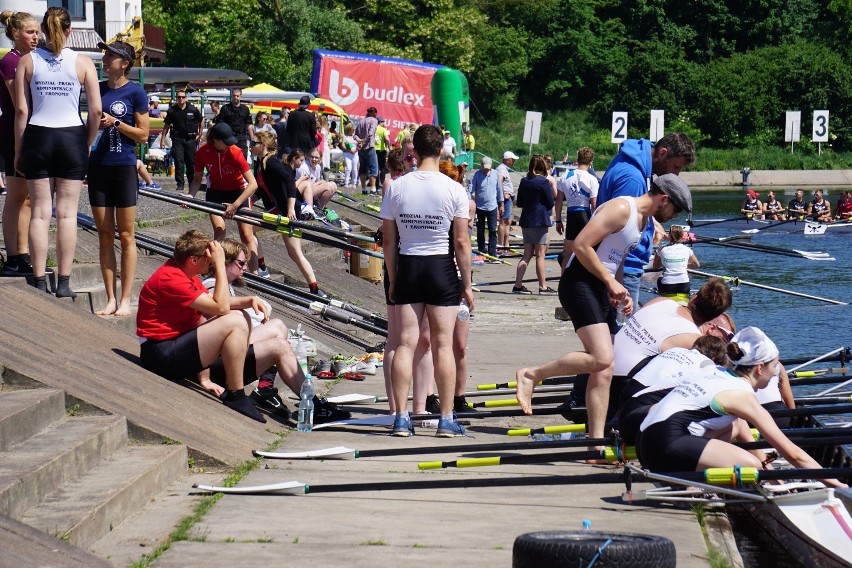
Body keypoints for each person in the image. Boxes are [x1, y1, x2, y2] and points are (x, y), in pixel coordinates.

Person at [515, 174, 693, 443]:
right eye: (675, 209)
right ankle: (532, 374)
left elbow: (616, 258)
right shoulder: (622, 208)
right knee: (602, 357)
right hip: (579, 281)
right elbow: (581, 244)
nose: (673, 215)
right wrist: (609, 280)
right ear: (664, 198)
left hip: (600, 286)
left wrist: (618, 290)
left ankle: (594, 444)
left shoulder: (644, 222)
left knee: (605, 368)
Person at [636, 327, 846, 489]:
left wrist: (770, 469)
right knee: (751, 468)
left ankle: (687, 473)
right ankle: (693, 483)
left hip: (644, 442)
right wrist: (838, 485)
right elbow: (792, 454)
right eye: (774, 367)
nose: (775, 374)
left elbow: (743, 431)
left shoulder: (715, 373)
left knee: (735, 426)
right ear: (760, 367)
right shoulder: (743, 397)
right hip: (664, 449)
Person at [380, 124, 473, 437]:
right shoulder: (454, 189)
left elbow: (389, 241)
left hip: (408, 264)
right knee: (442, 344)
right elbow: (462, 243)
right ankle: (446, 419)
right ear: (442, 151)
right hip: (441, 268)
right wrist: (468, 284)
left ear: (414, 152)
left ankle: (401, 418)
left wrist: (393, 278)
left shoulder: (396, 187)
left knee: (405, 343)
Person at [194, 238, 347, 422]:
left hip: (225, 352)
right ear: (224, 262)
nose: (244, 268)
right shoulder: (213, 285)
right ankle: (312, 404)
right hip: (218, 363)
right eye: (241, 263)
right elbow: (205, 327)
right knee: (279, 346)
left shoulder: (223, 285)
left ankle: (265, 388)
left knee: (278, 326)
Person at [14, 7, 101, 296]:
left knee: (39, 213)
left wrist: (19, 150)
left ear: (42, 29)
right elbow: (96, 111)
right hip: (71, 137)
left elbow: (22, 111)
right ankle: (63, 283)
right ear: (69, 30)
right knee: (66, 214)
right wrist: (86, 143)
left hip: (38, 136)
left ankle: (39, 280)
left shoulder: (27, 60)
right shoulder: (83, 62)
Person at [136, 230, 266, 422]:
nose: (211, 262)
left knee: (240, 316)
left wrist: (249, 300)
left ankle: (235, 390)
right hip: (160, 354)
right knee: (235, 320)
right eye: (208, 258)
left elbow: (214, 302)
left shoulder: (187, 275)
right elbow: (220, 307)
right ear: (193, 260)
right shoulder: (171, 278)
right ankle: (236, 394)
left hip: (172, 347)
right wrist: (221, 265)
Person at [594, 133, 696, 311]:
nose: (676, 175)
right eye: (675, 167)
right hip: (624, 269)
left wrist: (651, 223)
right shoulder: (632, 178)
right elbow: (620, 227)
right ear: (662, 153)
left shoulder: (639, 168)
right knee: (623, 334)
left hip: (624, 267)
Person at [87, 41, 149, 316]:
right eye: (105, 54)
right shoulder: (97, 89)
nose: (105, 58)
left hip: (123, 167)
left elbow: (144, 134)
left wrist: (116, 122)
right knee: (104, 234)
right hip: (98, 166)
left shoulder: (135, 92)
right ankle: (110, 297)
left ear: (124, 63)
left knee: (126, 235)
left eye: (110, 55)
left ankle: (126, 299)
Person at [250, 131, 327, 298]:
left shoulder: (271, 163)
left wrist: (291, 208)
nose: (250, 146)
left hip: (287, 212)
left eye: (253, 143)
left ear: (263, 146)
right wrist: (249, 200)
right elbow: (263, 190)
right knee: (250, 230)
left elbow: (290, 182)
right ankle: (263, 267)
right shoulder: (261, 163)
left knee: (294, 253)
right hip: (280, 210)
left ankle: (315, 289)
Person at [617, 335, 729, 445]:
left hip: (625, 402)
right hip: (641, 415)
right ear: (714, 357)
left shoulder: (675, 350)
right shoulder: (706, 365)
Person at [189, 123, 259, 271]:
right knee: (219, 230)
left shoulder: (236, 152)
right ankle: (217, 268)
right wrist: (190, 196)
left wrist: (236, 205)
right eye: (225, 142)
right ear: (216, 140)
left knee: (247, 235)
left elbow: (253, 184)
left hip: (238, 192)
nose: (229, 145)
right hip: (216, 192)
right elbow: (197, 179)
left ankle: (255, 273)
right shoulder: (203, 152)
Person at [0, 10, 37, 277]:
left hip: (27, 134)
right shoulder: (11, 61)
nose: (36, 37)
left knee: (25, 198)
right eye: (30, 32)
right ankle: (13, 256)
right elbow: (19, 103)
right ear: (15, 33)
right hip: (14, 135)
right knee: (15, 197)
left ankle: (22, 253)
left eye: (37, 31)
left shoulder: (30, 60)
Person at [512, 155, 557, 295]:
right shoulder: (543, 182)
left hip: (526, 221)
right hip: (540, 221)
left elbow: (519, 202)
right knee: (540, 255)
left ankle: (518, 285)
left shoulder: (524, 181)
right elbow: (550, 202)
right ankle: (543, 286)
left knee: (526, 254)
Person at [554, 147, 598, 267]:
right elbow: (594, 204)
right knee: (588, 252)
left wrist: (558, 220)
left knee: (568, 253)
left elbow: (558, 201)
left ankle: (564, 283)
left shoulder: (565, 176)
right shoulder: (592, 179)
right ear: (591, 162)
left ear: (577, 160)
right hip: (585, 214)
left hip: (571, 214)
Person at [161, 89, 203, 192]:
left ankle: (192, 183)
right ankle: (180, 184)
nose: (181, 99)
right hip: (178, 139)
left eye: (183, 97)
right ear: (176, 98)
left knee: (191, 162)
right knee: (179, 161)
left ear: (186, 98)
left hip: (190, 139)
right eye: (179, 97)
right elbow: (166, 126)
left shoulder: (192, 109)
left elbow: (201, 120)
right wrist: (162, 140)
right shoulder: (172, 111)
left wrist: (200, 133)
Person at [651, 224, 700, 302]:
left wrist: (666, 263)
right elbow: (697, 265)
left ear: (669, 235)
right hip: (684, 285)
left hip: (667, 286)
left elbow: (655, 267)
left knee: (660, 276)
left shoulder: (661, 249)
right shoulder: (687, 249)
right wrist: (683, 265)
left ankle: (662, 298)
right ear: (681, 236)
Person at [469, 156, 502, 257]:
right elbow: (470, 189)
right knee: (480, 229)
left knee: (492, 230)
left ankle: (492, 251)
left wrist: (501, 204)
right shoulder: (477, 175)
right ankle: (482, 250)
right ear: (481, 166)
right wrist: (468, 201)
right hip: (480, 207)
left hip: (492, 206)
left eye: (488, 168)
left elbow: (499, 189)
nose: (486, 169)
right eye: (485, 167)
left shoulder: (496, 174)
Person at [213, 88, 253, 158]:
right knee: (227, 159)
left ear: (240, 97)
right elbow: (220, 124)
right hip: (228, 138)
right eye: (234, 96)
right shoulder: (225, 108)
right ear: (231, 97)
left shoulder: (245, 109)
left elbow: (248, 125)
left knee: (242, 158)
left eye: (237, 96)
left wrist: (252, 138)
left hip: (241, 138)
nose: (235, 98)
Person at [496, 151, 519, 249]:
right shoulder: (502, 169)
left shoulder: (503, 169)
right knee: (504, 222)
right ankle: (501, 244)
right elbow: (499, 181)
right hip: (505, 198)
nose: (513, 161)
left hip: (507, 198)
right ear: (508, 160)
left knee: (507, 221)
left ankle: (505, 244)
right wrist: (502, 195)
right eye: (512, 160)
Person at [355, 106, 379, 194]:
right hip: (369, 147)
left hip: (361, 149)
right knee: (373, 168)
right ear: (375, 113)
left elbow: (355, 135)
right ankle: (373, 189)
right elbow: (370, 133)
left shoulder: (361, 121)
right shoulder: (374, 120)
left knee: (362, 168)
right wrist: (364, 141)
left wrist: (360, 141)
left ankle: (363, 189)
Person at [341, 122, 358, 189]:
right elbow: (343, 146)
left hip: (355, 154)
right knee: (348, 168)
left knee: (354, 169)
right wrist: (349, 150)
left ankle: (354, 182)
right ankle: (346, 182)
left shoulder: (355, 137)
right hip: (347, 154)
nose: (351, 131)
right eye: (349, 130)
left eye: (352, 130)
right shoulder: (345, 137)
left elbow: (360, 144)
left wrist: (358, 148)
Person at [375, 117, 391, 185]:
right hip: (382, 150)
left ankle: (376, 183)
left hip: (374, 149)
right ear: (380, 122)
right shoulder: (383, 129)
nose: (383, 123)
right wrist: (389, 147)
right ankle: (382, 182)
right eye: (383, 122)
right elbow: (387, 139)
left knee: (376, 167)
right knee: (383, 167)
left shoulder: (374, 129)